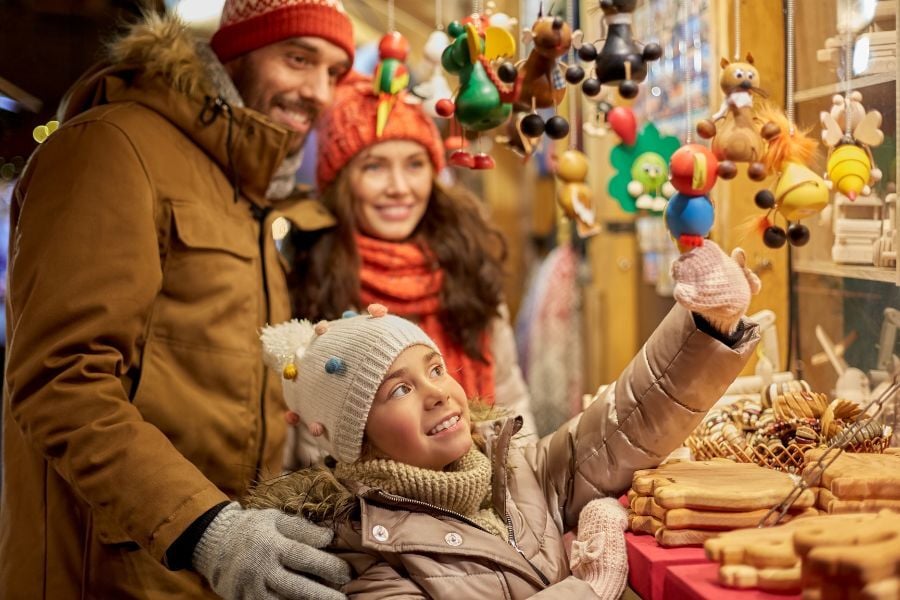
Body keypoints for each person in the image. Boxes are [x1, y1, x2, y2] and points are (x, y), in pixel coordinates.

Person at [0, 1, 359, 598]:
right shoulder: (111, 146)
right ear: (236, 54)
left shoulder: (238, 188)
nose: (318, 91)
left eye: (335, 73)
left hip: (205, 570)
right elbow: (60, 378)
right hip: (112, 574)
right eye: (298, 59)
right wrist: (205, 529)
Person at [251, 240, 761, 598]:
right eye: (400, 390)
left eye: (435, 368)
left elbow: (622, 425)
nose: (436, 393)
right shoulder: (367, 557)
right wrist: (588, 587)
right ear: (357, 440)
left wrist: (705, 326)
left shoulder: (518, 471)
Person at [285, 73, 538, 452]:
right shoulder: (311, 276)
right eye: (374, 167)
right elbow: (307, 440)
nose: (400, 187)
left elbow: (510, 402)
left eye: (415, 165)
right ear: (340, 180)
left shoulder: (465, 262)